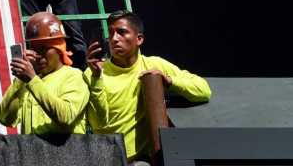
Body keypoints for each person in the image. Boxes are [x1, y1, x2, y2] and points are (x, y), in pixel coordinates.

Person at [85, 11, 211, 165]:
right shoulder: (94, 73)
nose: (114, 39)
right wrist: (96, 78)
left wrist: (169, 81)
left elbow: (204, 90)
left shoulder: (154, 64)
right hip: (107, 160)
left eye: (121, 32)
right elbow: (100, 126)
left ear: (139, 39)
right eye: (110, 34)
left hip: (140, 160)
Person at [0, 12, 87, 135]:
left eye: (44, 48)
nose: (38, 55)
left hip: (64, 153)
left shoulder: (74, 76)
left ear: (59, 48)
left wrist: (33, 80)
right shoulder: (28, 81)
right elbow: (5, 119)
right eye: (34, 49)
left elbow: (65, 117)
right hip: (32, 153)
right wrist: (21, 81)